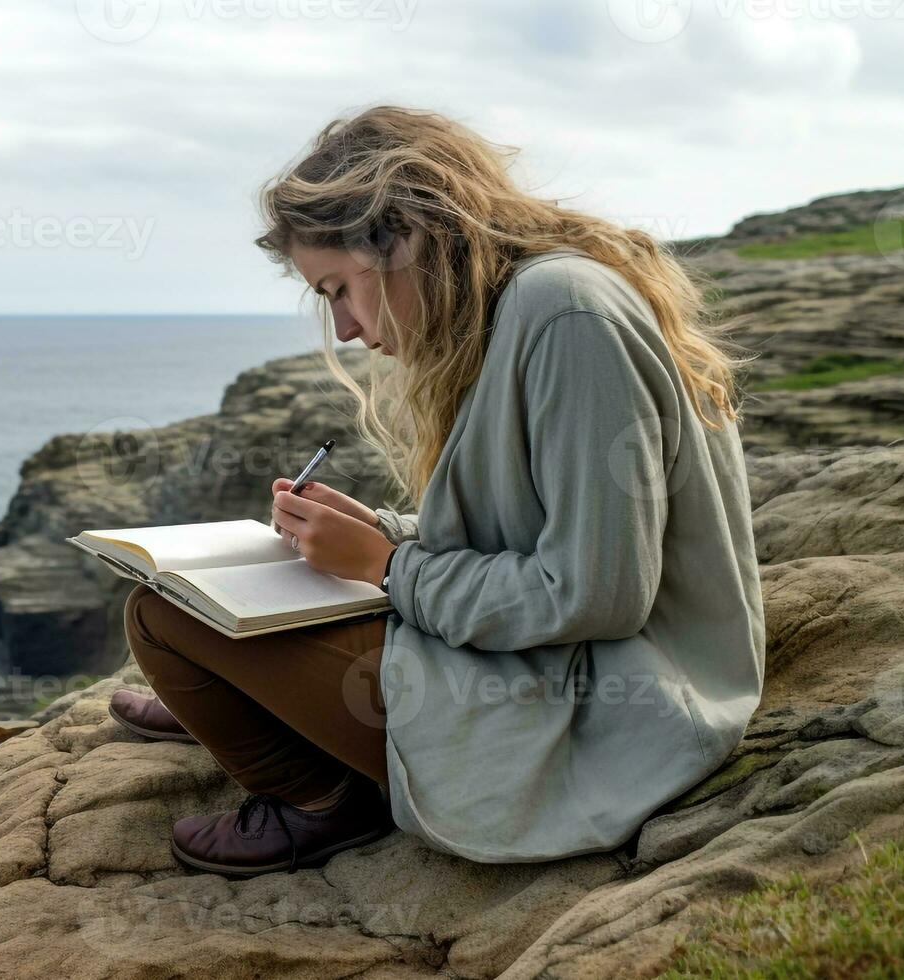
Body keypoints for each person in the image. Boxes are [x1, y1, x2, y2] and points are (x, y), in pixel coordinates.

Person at [111, 106, 766, 876]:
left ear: (404, 236)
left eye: (337, 289)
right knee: (194, 606)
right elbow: (532, 520)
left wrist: (390, 567)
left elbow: (595, 595)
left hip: (609, 701)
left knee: (160, 618)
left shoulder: (563, 315)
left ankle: (319, 798)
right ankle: (256, 694)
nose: (347, 329)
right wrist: (385, 532)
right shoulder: (521, 306)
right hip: (562, 664)